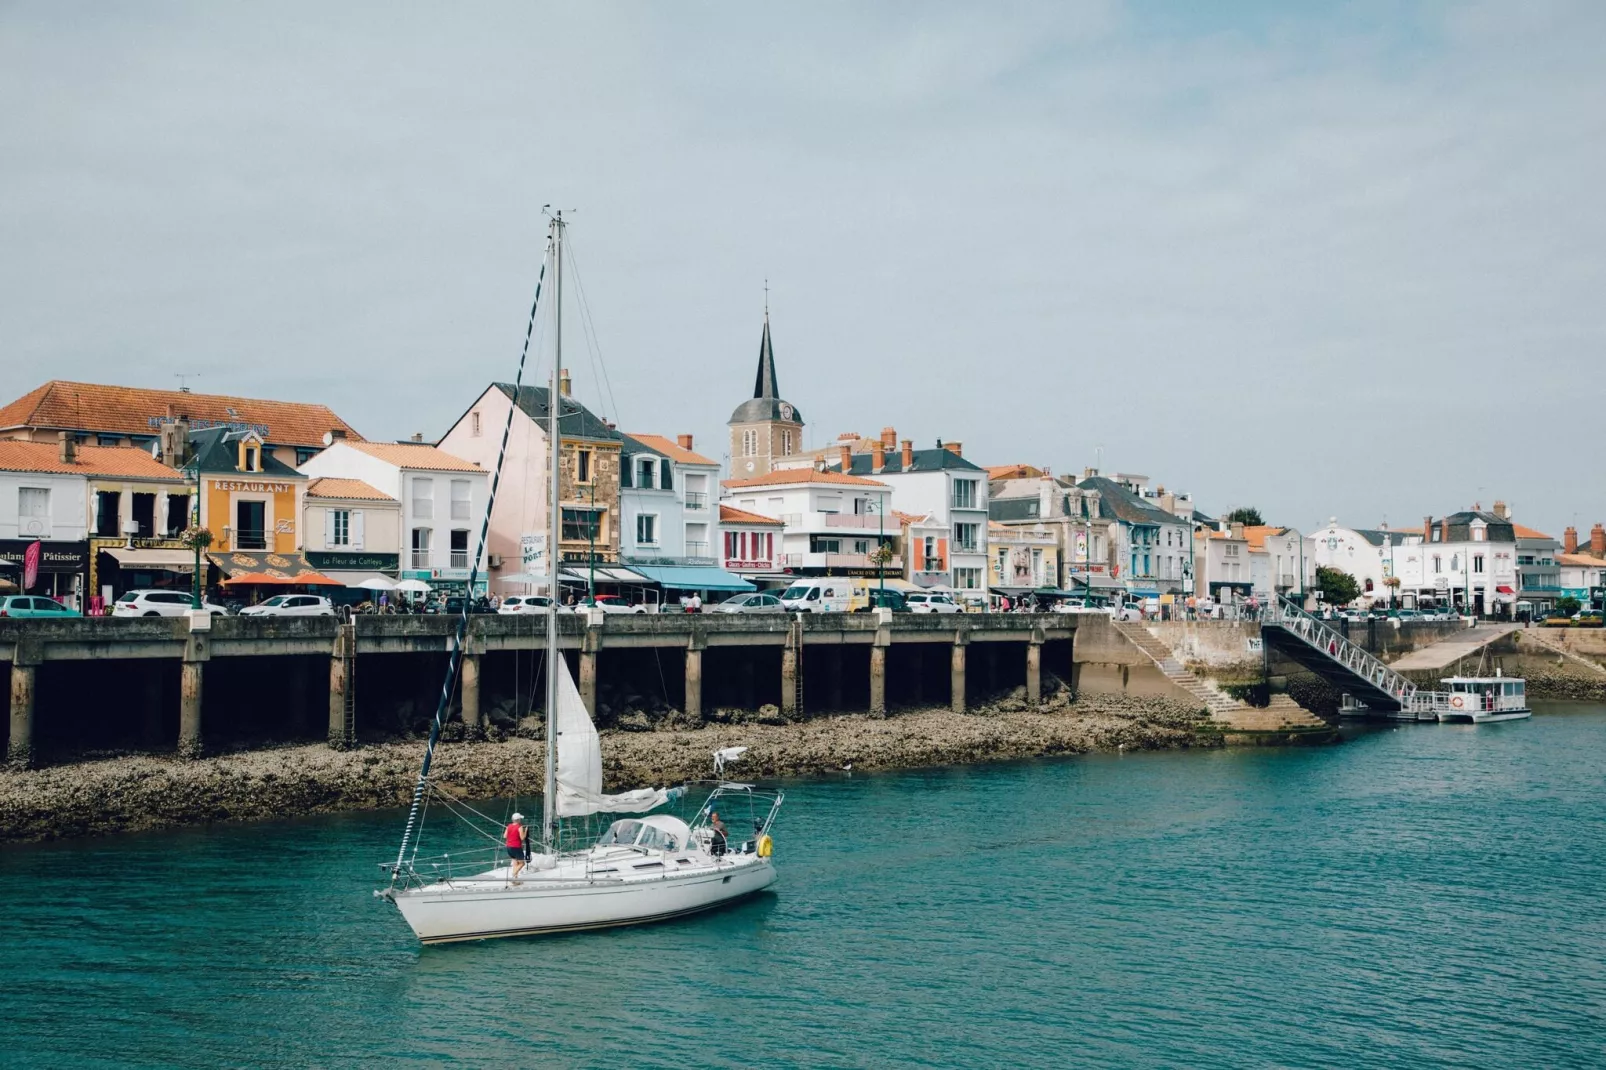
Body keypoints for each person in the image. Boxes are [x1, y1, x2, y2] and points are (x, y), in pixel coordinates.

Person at [505, 812, 529, 879]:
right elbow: (522, 838)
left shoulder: (508, 826)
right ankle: (513, 874)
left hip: (508, 847)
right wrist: (525, 831)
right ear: (518, 820)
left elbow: (505, 836)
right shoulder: (520, 827)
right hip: (516, 847)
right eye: (520, 819)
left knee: (515, 863)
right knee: (522, 863)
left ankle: (515, 879)